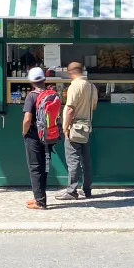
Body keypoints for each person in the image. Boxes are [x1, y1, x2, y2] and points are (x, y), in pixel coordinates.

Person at [56, 62, 98, 200]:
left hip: (74, 128)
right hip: (87, 128)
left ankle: (71, 191)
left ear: (70, 72)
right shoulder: (92, 86)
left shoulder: (74, 86)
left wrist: (65, 127)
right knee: (86, 161)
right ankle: (87, 189)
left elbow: (69, 109)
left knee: (73, 161)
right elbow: (94, 107)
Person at [23, 67, 52, 210]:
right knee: (43, 167)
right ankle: (39, 196)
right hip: (48, 135)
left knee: (35, 167)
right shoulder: (51, 94)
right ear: (44, 79)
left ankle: (40, 201)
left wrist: (24, 133)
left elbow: (27, 119)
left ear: (31, 81)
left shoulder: (31, 96)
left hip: (34, 135)